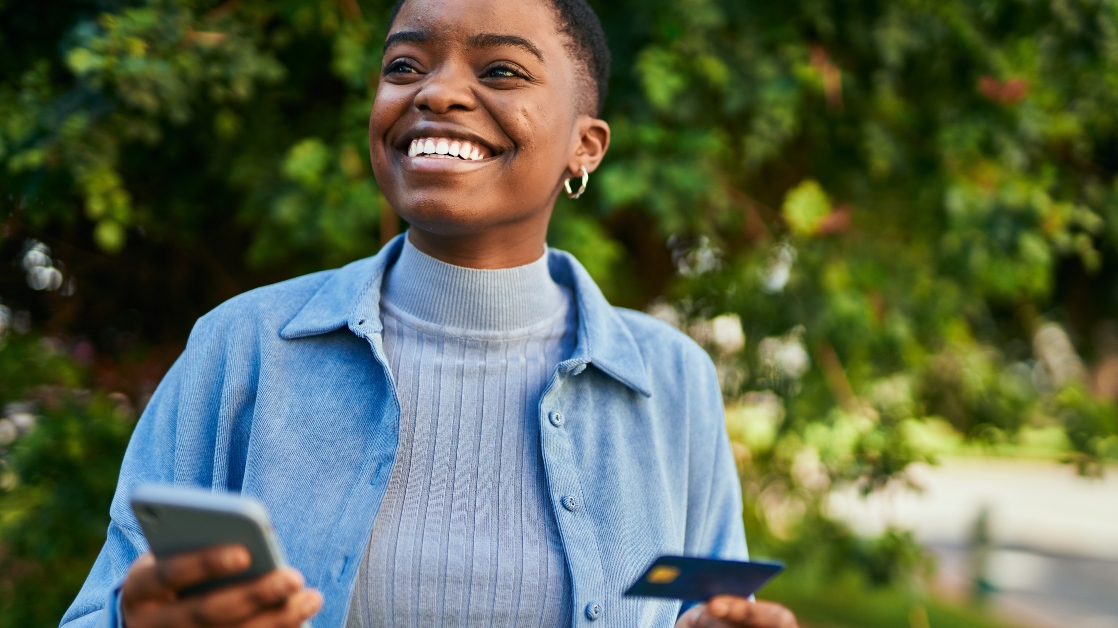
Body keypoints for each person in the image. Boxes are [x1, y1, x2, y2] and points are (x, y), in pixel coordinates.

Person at [61, 0, 802, 626]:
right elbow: (101, 610)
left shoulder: (671, 380)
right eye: (405, 67)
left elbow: (711, 604)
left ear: (586, 145)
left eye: (501, 70)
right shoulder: (244, 346)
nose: (437, 93)